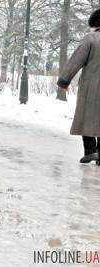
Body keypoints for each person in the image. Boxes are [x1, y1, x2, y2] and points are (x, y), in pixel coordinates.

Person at [57, 8, 100, 165]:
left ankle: (90, 151)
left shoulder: (90, 39)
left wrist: (64, 81)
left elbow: (76, 61)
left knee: (86, 117)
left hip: (91, 87)